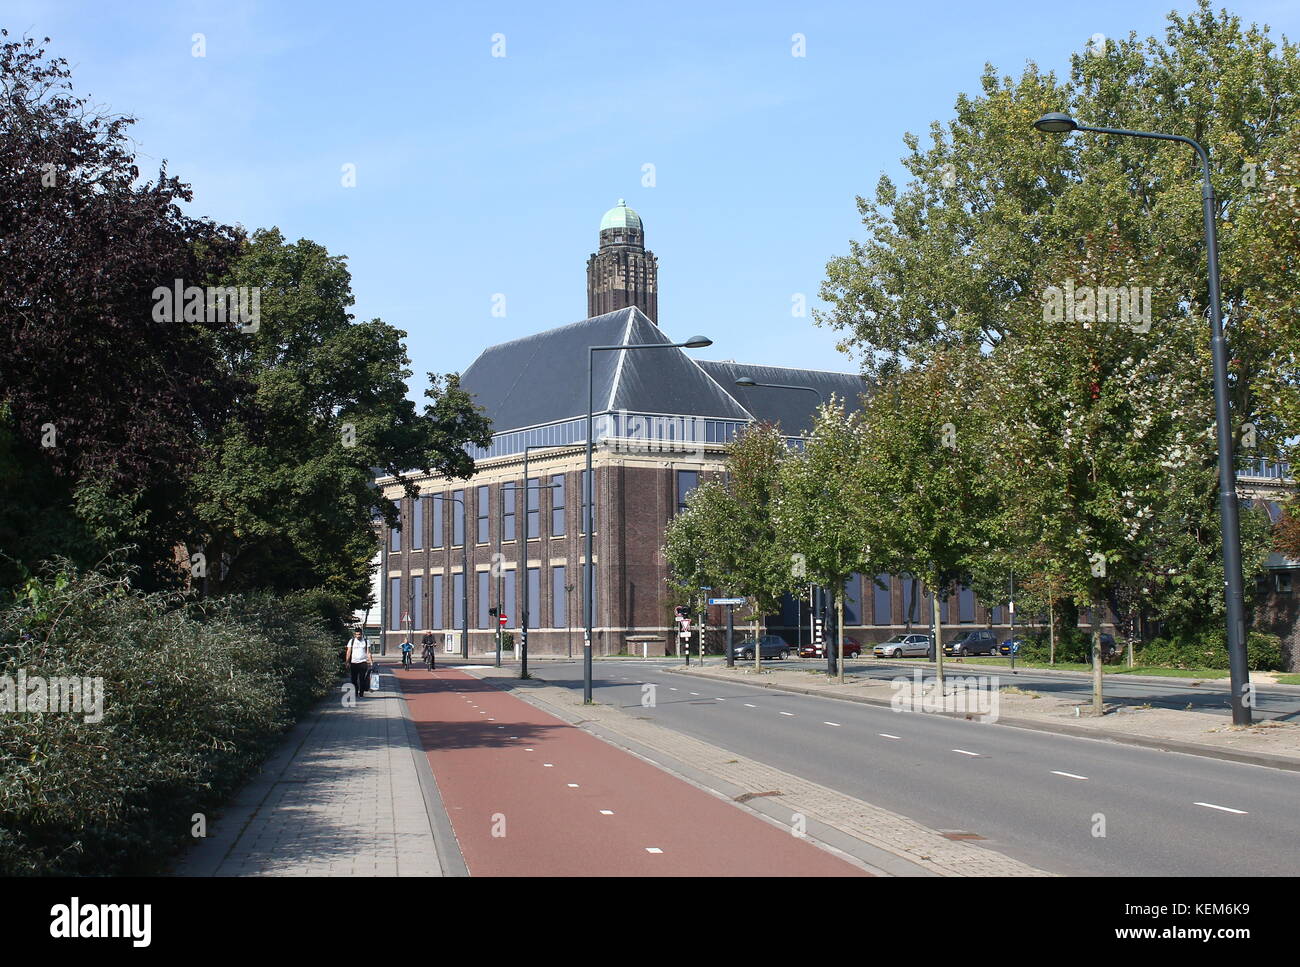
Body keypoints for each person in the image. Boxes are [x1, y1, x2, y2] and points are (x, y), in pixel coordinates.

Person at [347, 630, 371, 698]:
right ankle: (355, 692)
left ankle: (361, 693)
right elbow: (348, 652)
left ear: (362, 634)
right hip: (353, 662)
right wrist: (347, 662)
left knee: (362, 678)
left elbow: (368, 652)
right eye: (357, 634)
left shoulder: (366, 641)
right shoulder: (351, 641)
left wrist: (371, 661)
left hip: (363, 662)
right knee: (353, 679)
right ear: (354, 635)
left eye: (359, 634)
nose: (358, 636)